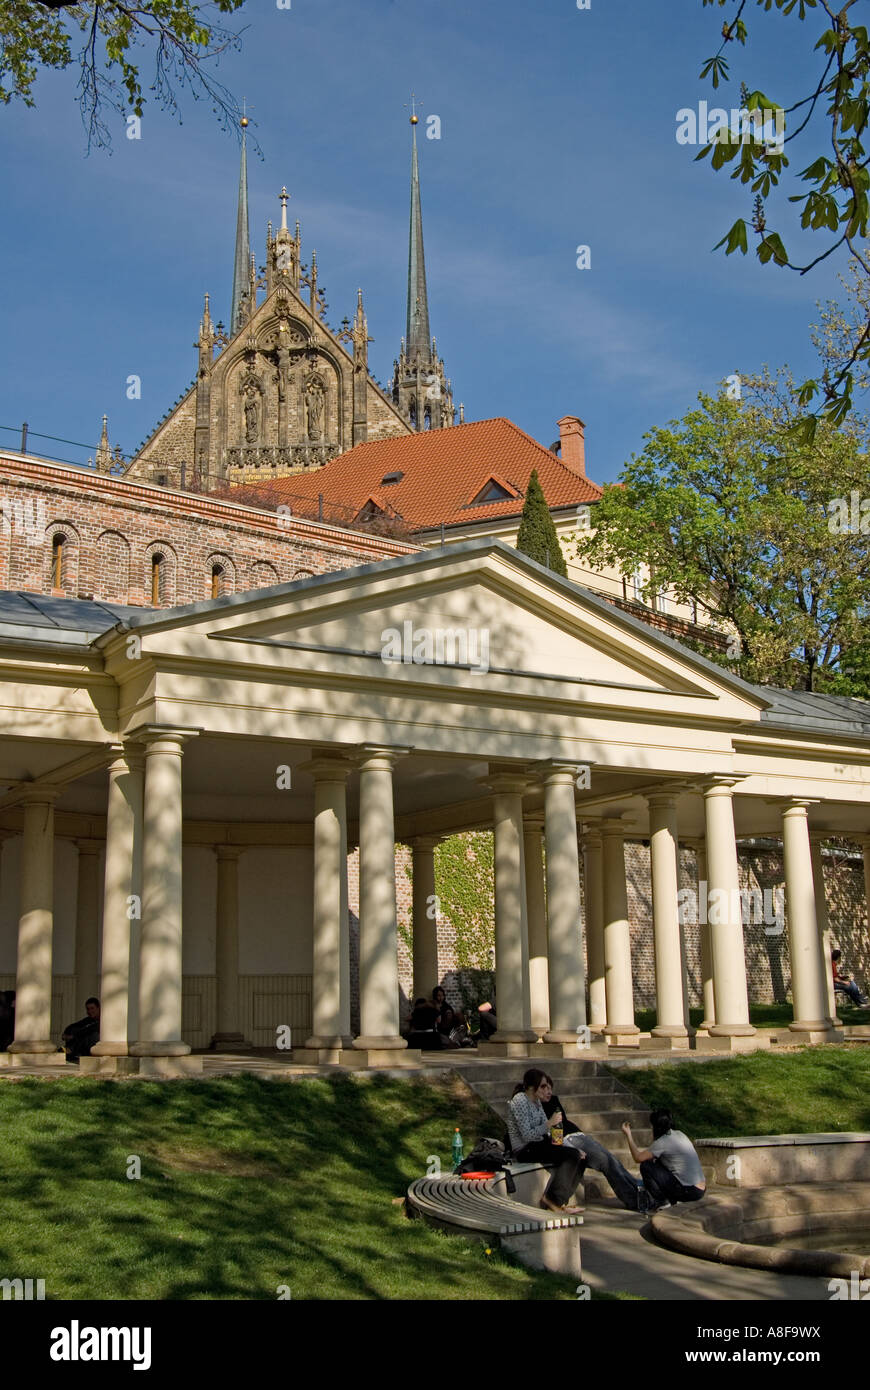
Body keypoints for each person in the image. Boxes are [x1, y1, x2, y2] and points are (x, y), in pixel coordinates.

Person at [539, 1074, 649, 1211]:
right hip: (572, 1140)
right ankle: (635, 1199)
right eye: (544, 1088)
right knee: (606, 1162)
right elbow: (552, 1132)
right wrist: (572, 1147)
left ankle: (639, 1193)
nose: (549, 1091)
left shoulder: (553, 1101)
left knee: (611, 1160)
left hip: (580, 1136)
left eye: (550, 1087)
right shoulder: (537, 1108)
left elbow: (563, 1122)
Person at [506, 1067, 585, 1215]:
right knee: (571, 1156)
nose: (545, 1090)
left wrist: (566, 1144)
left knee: (580, 1157)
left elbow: (547, 1132)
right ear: (531, 1087)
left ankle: (561, 1201)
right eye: (542, 1086)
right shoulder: (520, 1101)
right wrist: (549, 1123)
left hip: (539, 1143)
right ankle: (552, 1199)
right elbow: (527, 1135)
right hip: (524, 1148)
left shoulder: (536, 1102)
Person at [623, 1109, 706, 1210]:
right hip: (700, 1189)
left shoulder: (663, 1142)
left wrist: (628, 1135)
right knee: (657, 1161)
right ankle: (672, 1200)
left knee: (646, 1165)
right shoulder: (680, 1134)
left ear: (657, 1127)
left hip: (690, 1191)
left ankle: (662, 1202)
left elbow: (638, 1158)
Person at [61, 997, 100, 1063]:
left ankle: (70, 1050)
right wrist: (66, 1033)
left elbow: (91, 1029)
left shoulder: (103, 1019)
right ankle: (69, 1050)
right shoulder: (89, 1019)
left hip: (96, 1044)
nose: (90, 1011)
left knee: (89, 1035)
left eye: (92, 1008)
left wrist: (73, 1036)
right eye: (88, 1009)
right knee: (75, 1029)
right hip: (85, 1045)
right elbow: (75, 1025)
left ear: (98, 1008)